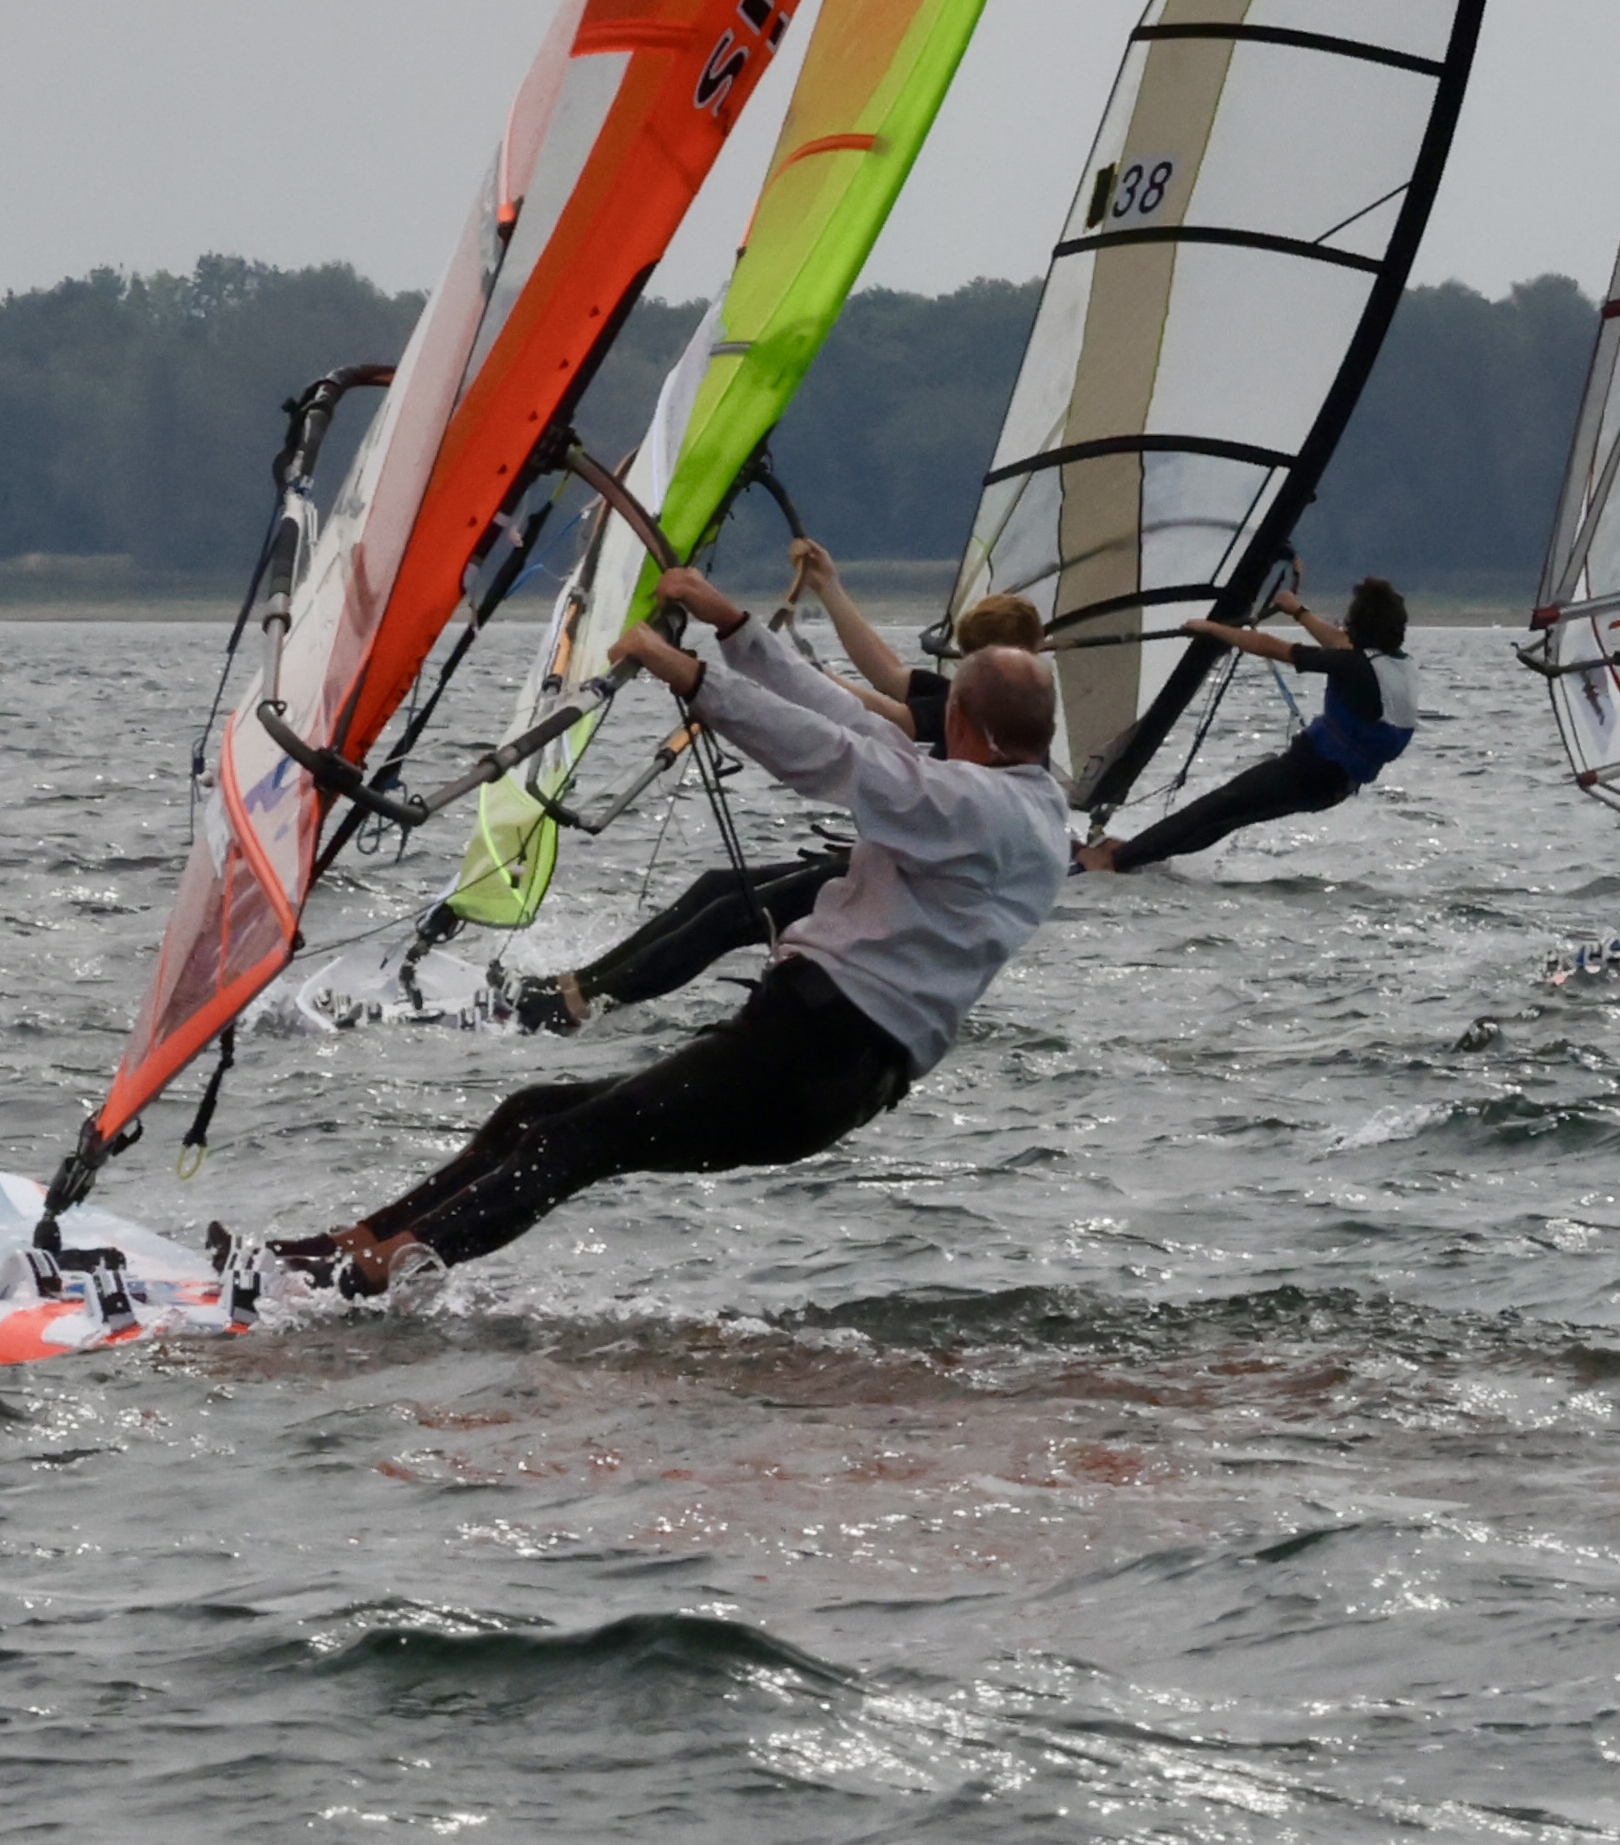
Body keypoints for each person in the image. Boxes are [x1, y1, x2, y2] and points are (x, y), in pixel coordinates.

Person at [280, 542, 1064, 1290]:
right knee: (534, 1116)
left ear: (961, 721)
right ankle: (354, 1247)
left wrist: (686, 674)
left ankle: (361, 1280)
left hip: (815, 1053)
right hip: (826, 1065)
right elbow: (852, 723)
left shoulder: (974, 807)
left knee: (568, 1142)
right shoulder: (1021, 805)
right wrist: (732, 626)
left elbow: (832, 754)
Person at [514, 543, 1004, 1028]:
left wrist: (700, 666)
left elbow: (859, 728)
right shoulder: (961, 701)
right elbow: (872, 696)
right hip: (898, 860)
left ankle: (573, 1006)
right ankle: (572, 985)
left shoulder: (989, 729)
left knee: (734, 914)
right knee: (718, 887)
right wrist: (805, 599)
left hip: (921, 891)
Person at [1082, 579, 1428, 873]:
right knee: (1226, 818)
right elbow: (1339, 642)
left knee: (1215, 808)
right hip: (1333, 787)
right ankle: (1136, 856)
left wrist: (1213, 629)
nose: (1343, 627)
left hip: (1307, 773)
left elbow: (1276, 648)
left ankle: (1115, 861)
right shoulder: (1398, 666)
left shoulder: (1354, 666)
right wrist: (1297, 611)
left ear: (1357, 628)